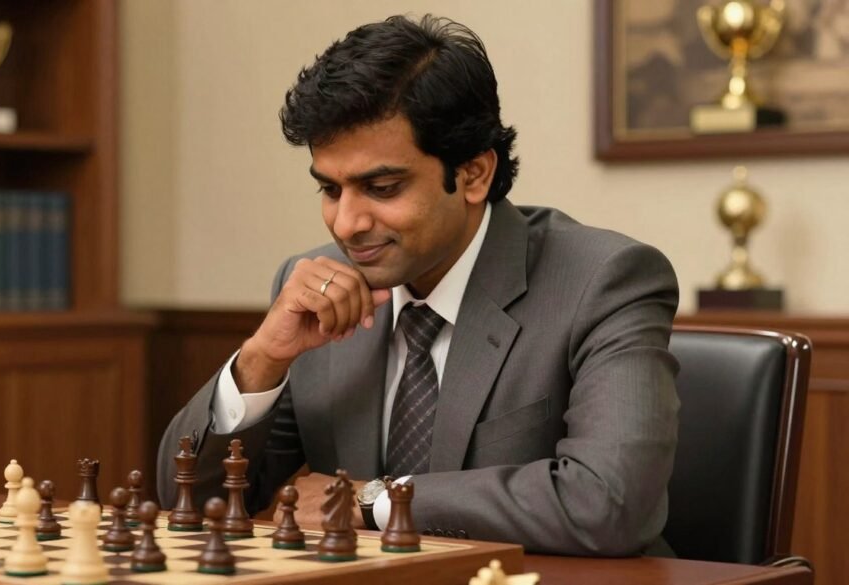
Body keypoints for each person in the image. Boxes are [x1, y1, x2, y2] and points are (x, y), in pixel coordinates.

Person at [157, 14, 679, 557]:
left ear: (473, 174)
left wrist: (374, 501)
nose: (346, 224)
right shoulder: (316, 286)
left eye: (381, 187)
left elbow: (611, 504)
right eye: (330, 189)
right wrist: (262, 358)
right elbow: (187, 499)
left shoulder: (603, 280)